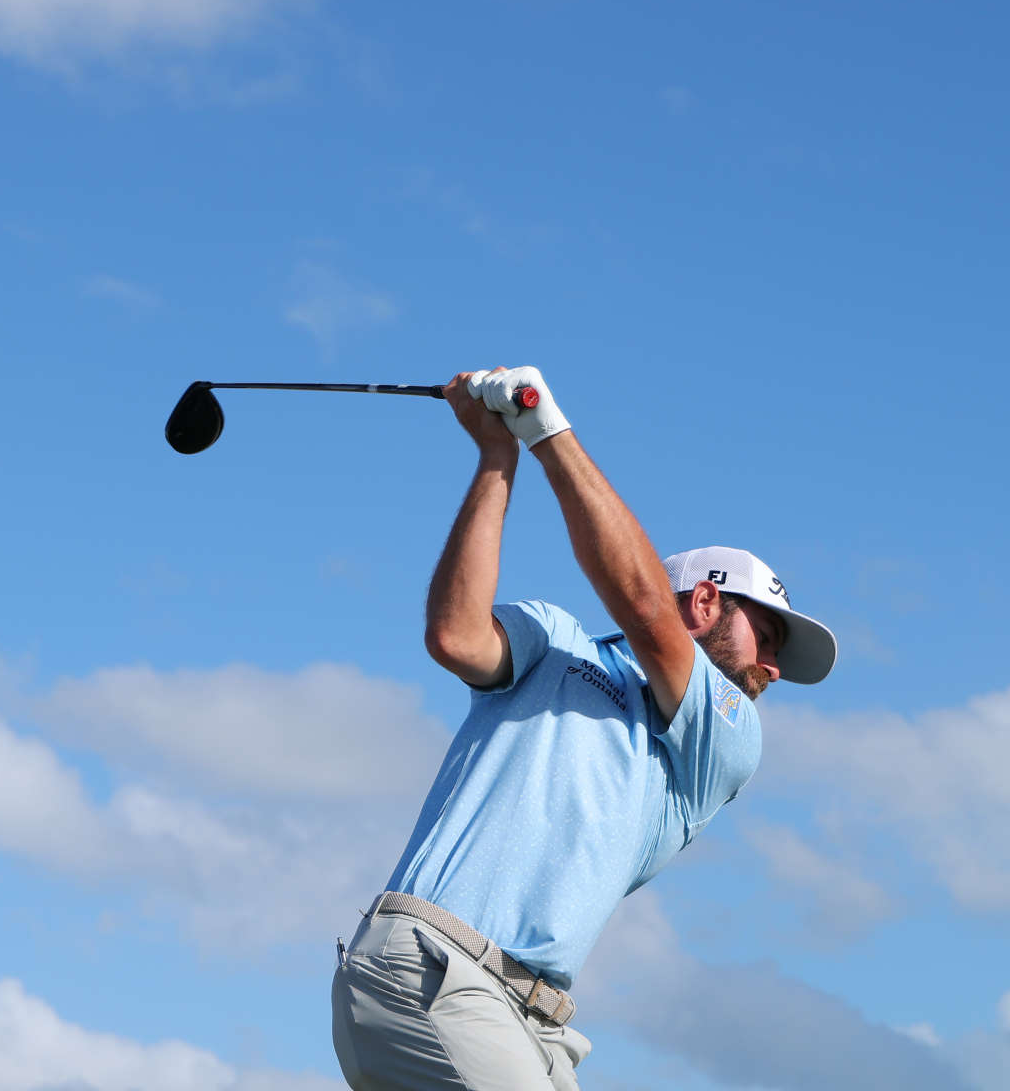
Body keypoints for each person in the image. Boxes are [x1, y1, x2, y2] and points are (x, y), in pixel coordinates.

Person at [330, 366, 837, 1091]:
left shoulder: (728, 738)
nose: (775, 669)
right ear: (705, 603)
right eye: (769, 637)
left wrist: (546, 428)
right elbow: (456, 637)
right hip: (436, 968)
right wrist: (497, 458)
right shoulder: (554, 639)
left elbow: (646, 610)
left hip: (533, 1023)